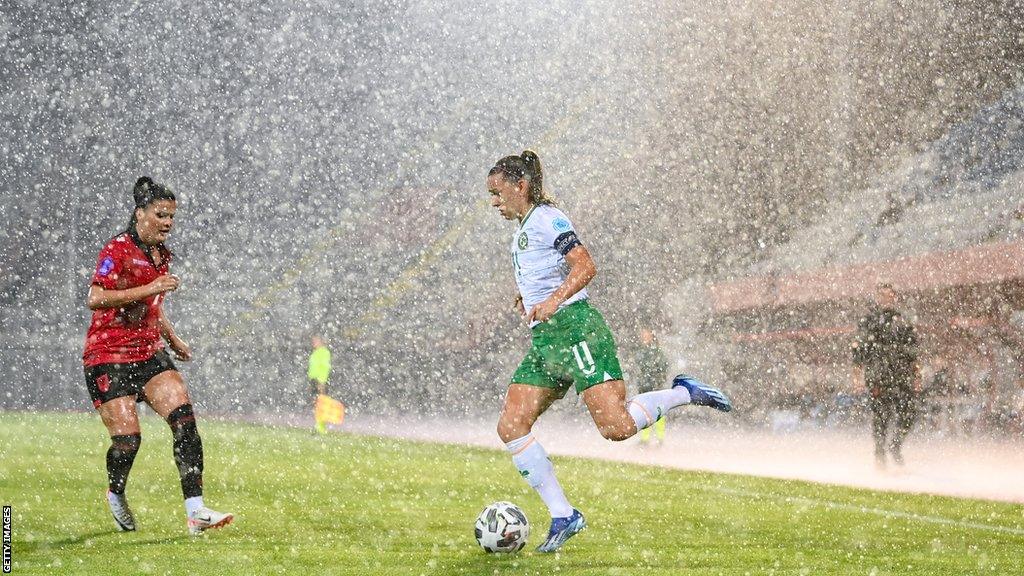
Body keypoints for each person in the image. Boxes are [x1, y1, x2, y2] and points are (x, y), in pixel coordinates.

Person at [487, 150, 732, 553]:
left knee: (616, 428)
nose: (494, 202)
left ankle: (684, 392)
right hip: (546, 340)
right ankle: (564, 515)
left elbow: (585, 266)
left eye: (497, 192)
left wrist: (553, 300)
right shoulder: (523, 229)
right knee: (511, 426)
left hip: (576, 330)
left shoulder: (550, 219)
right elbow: (544, 272)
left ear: (521, 186)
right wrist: (528, 297)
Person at [83, 176, 233, 535]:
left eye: (171, 217)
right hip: (109, 355)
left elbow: (153, 305)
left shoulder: (162, 256)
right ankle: (116, 493)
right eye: (161, 214)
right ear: (140, 214)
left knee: (184, 421)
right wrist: (149, 286)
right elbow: (95, 297)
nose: (167, 223)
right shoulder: (116, 250)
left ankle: (195, 512)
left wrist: (173, 337)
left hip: (148, 352)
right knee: (128, 441)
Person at [851, 283, 921, 468]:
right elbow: (859, 349)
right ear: (877, 297)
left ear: (895, 297)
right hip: (878, 376)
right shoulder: (869, 320)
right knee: (881, 417)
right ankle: (880, 452)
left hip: (901, 375)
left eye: (889, 295)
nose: (886, 299)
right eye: (883, 295)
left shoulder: (903, 321)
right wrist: (857, 376)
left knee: (909, 413)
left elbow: (913, 352)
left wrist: (916, 376)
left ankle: (895, 445)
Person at [634, 327, 670, 445]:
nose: (644, 338)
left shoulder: (656, 352)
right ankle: (645, 438)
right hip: (645, 387)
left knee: (657, 412)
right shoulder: (641, 351)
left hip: (654, 386)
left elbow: (663, 368)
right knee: (645, 412)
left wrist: (658, 381)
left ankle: (659, 437)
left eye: (646, 335)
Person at [307, 335, 332, 434]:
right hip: (314, 380)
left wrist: (322, 381)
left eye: (316, 340)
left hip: (320, 381)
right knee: (317, 403)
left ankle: (321, 427)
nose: (313, 342)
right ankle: (319, 425)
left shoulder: (324, 352)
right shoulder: (316, 352)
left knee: (321, 403)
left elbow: (325, 367)